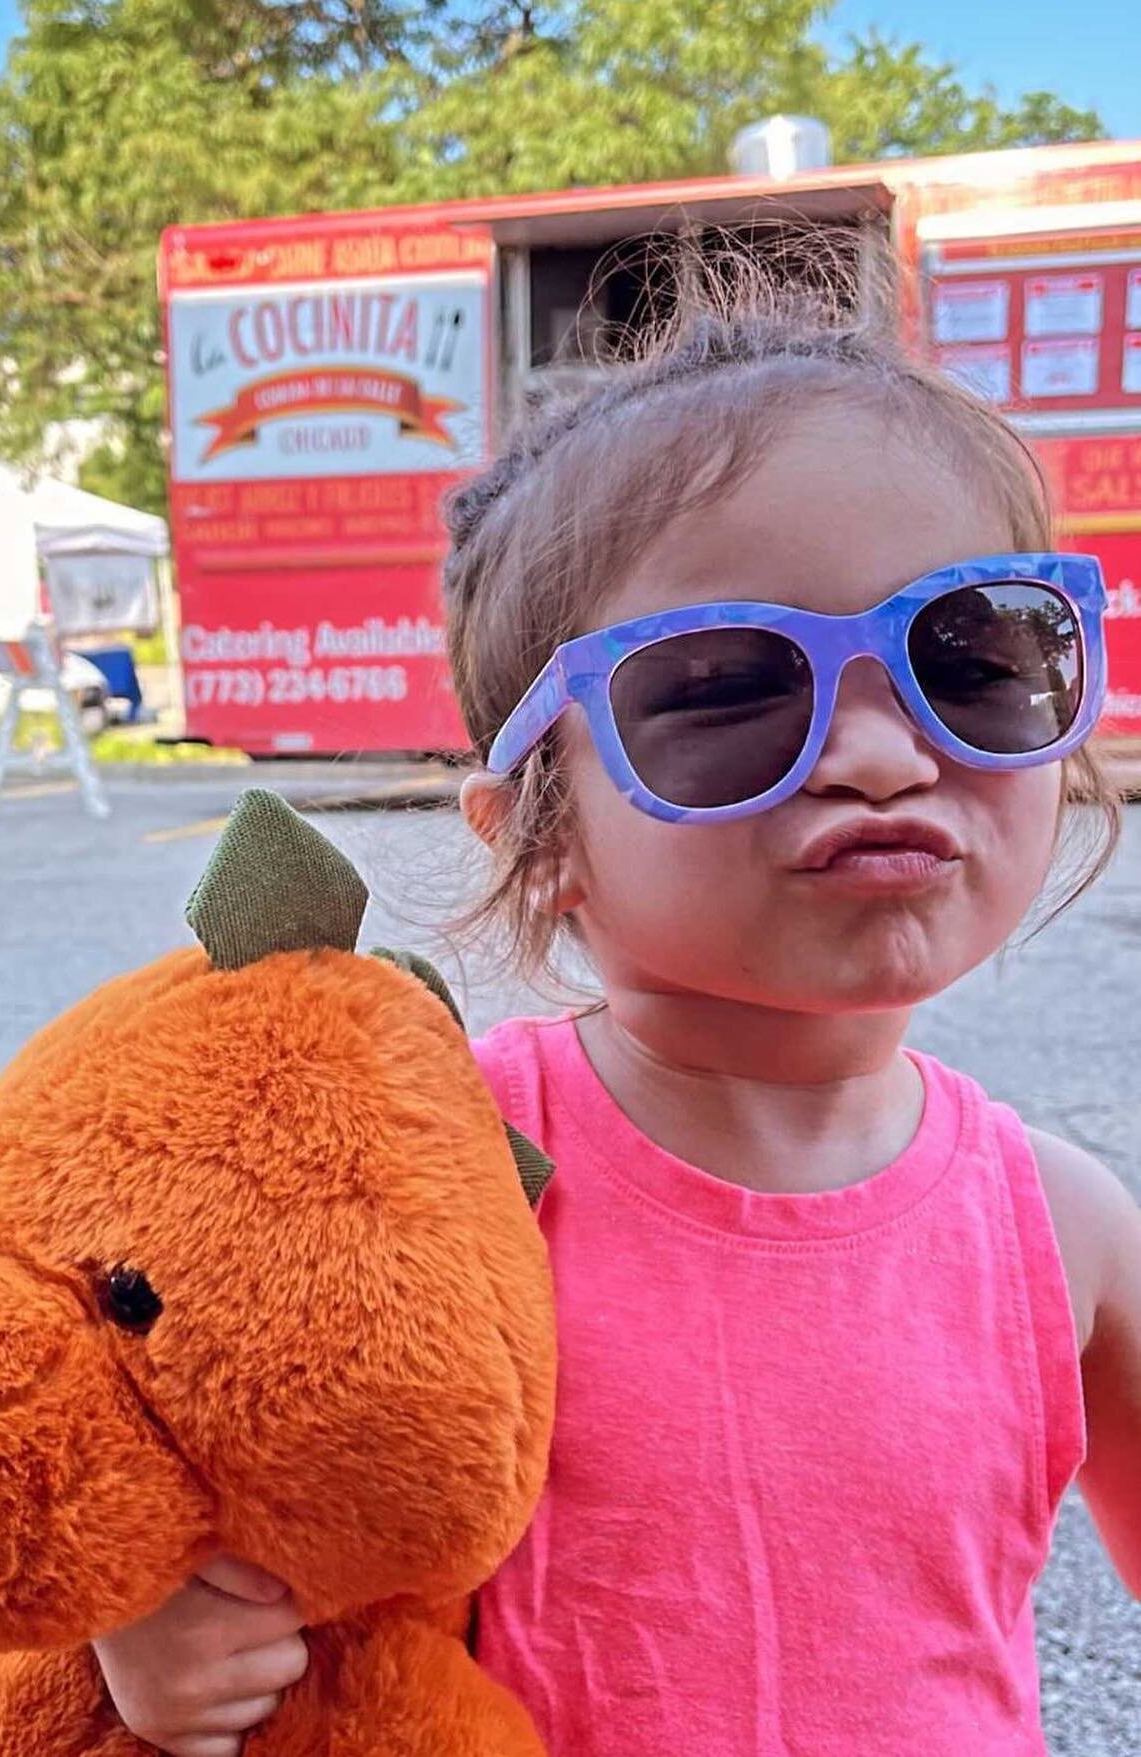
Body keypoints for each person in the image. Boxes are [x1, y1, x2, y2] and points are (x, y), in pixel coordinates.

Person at [92, 271, 1138, 1755]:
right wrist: (142, 1613)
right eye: (719, 693)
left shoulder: (1065, 1228)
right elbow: (106, 1422)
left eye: (972, 656)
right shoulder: (428, 1161)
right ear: (538, 829)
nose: (877, 750)